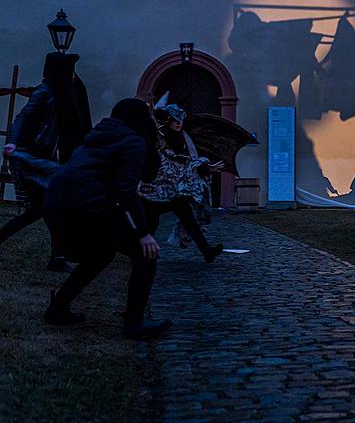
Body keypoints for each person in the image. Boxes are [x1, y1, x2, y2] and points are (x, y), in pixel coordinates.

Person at [42, 98, 172, 340]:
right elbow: (125, 191)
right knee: (146, 254)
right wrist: (142, 233)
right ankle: (134, 323)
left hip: (55, 203)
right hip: (84, 205)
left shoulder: (96, 138)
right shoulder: (134, 141)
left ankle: (58, 307)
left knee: (100, 253)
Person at [0, 52, 92, 272]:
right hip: (29, 157)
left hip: (43, 157)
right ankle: (57, 258)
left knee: (49, 208)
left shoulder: (63, 93)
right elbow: (24, 115)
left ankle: (57, 258)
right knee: (44, 209)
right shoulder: (45, 91)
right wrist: (12, 142)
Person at [140, 103, 223, 263]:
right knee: (150, 223)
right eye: (175, 120)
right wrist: (202, 167)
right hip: (151, 190)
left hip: (169, 191)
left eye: (181, 120)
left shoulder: (183, 140)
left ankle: (207, 251)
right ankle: (139, 252)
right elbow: (173, 162)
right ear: (168, 120)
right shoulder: (158, 139)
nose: (179, 123)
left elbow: (184, 163)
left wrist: (203, 168)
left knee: (187, 215)